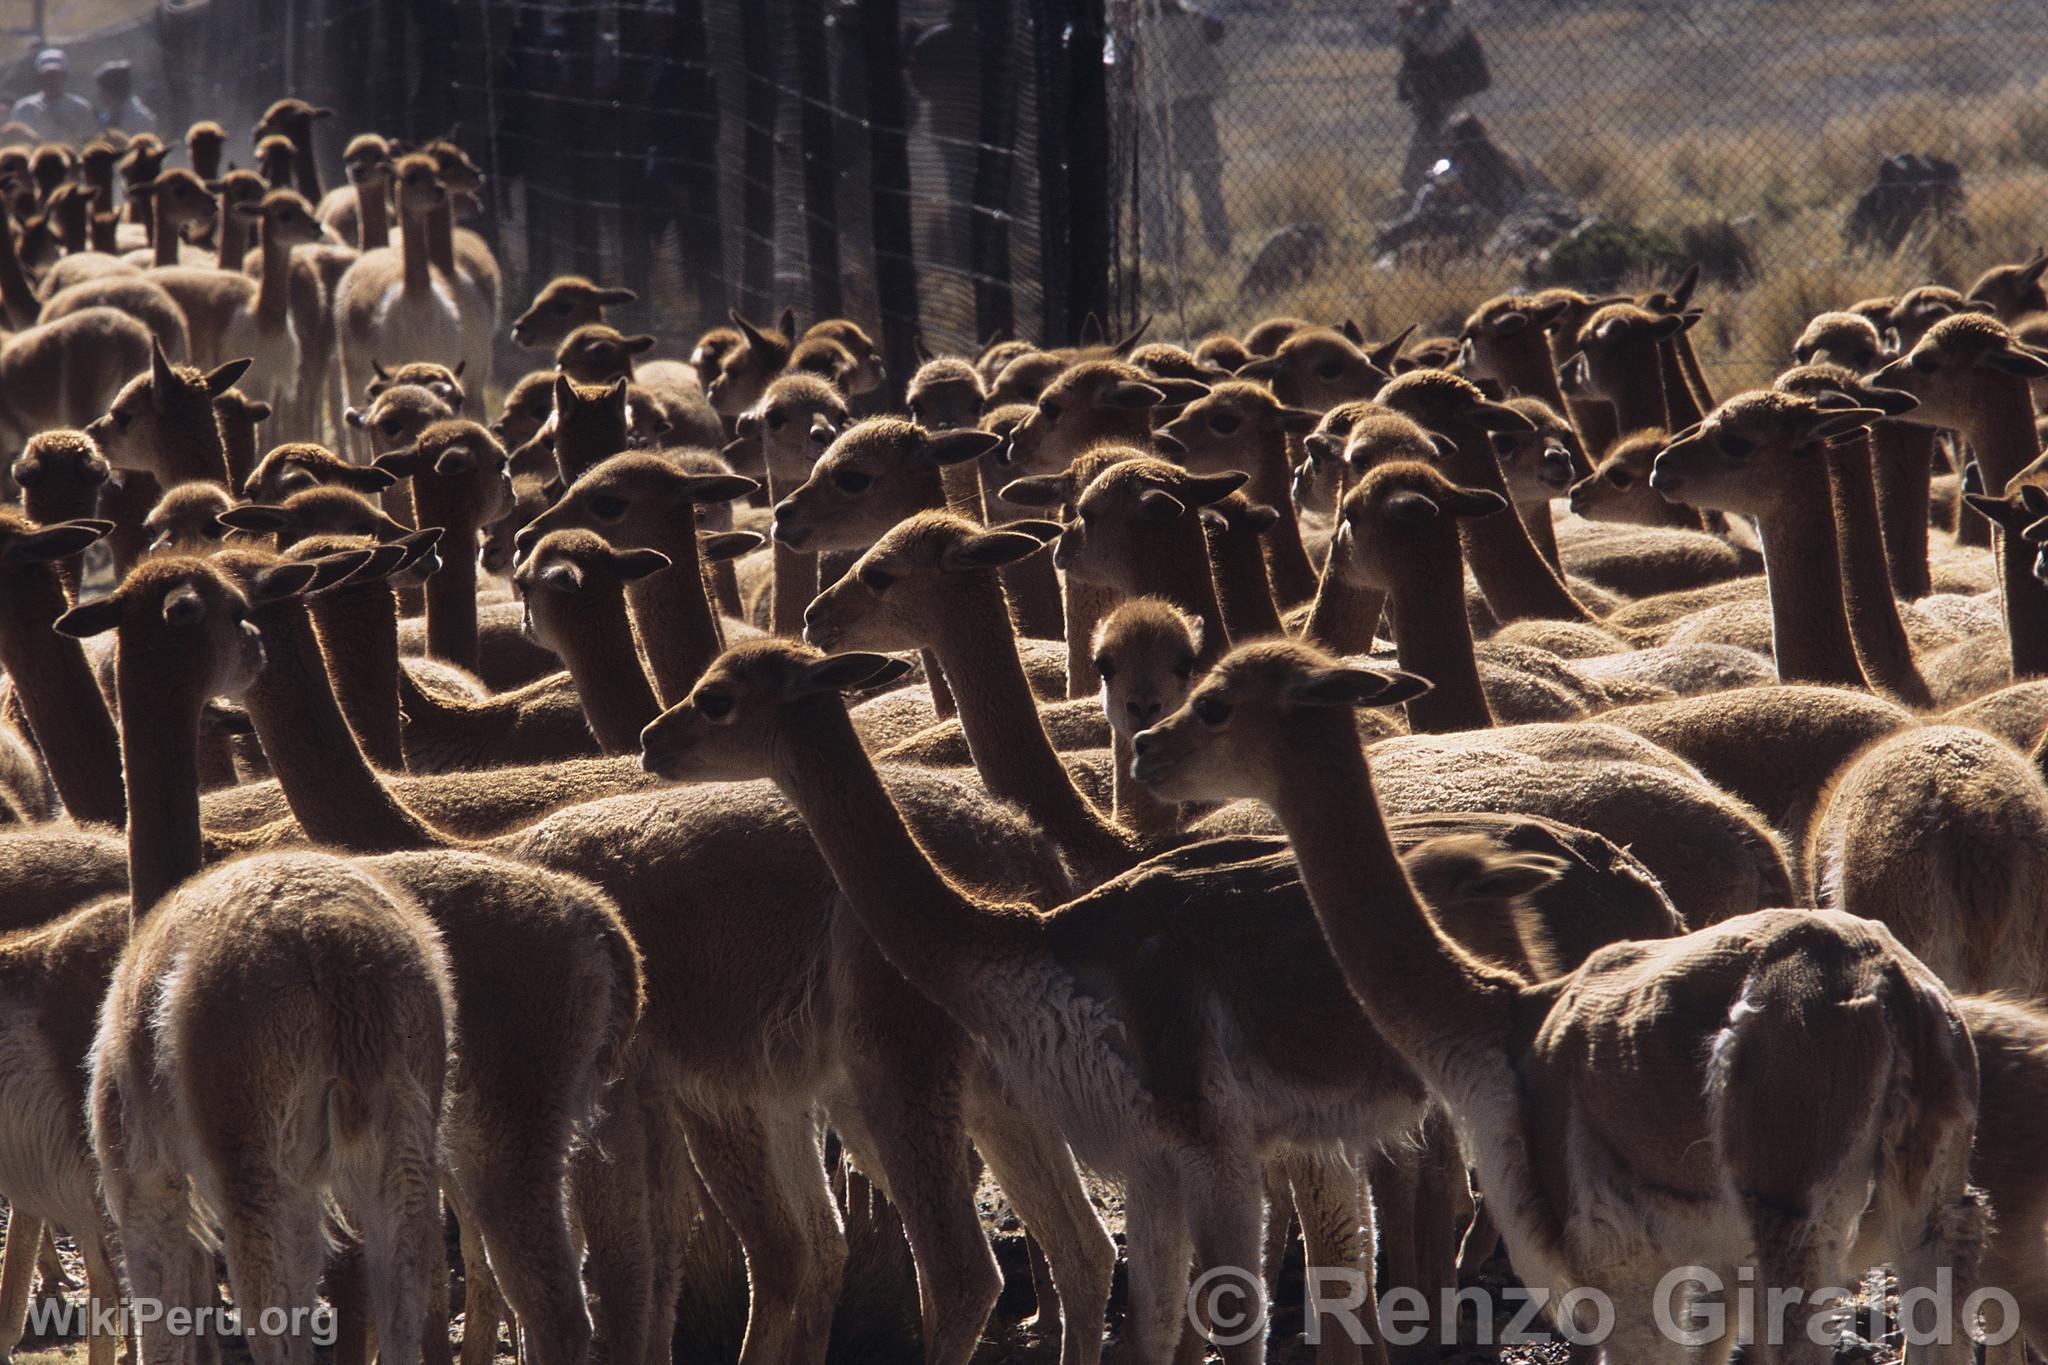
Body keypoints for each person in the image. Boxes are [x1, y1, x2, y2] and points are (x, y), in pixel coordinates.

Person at [1136, 0, 1230, 260]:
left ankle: (1162, 251)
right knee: (1207, 184)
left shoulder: (1139, 29)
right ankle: (1220, 246)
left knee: (1159, 186)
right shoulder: (1196, 23)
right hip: (1196, 109)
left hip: (1156, 112)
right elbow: (1219, 30)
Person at [1394, 0, 1489, 194]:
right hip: (1429, 98)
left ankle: (1415, 191)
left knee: (1434, 146)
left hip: (1451, 94)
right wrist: (1408, 21)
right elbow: (1404, 45)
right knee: (1430, 147)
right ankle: (1422, 190)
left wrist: (1409, 21)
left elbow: (1434, 45)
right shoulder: (1422, 17)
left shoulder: (1455, 13)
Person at [11, 48, 97, 145]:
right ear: (39, 77)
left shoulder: (80, 108)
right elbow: (15, 142)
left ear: (64, 76)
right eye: (47, 75)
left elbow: (89, 142)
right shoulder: (25, 108)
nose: (51, 80)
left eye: (56, 75)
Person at [92, 60, 156, 137]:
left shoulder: (141, 120)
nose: (99, 95)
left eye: (102, 90)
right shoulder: (104, 119)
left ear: (113, 90)